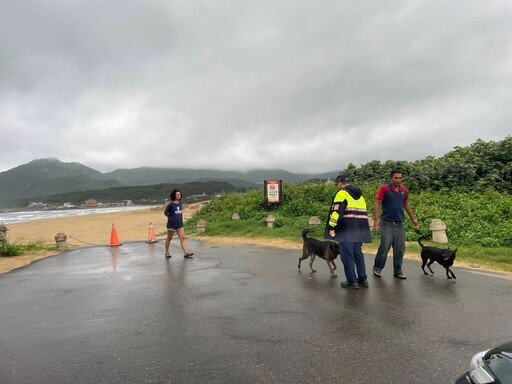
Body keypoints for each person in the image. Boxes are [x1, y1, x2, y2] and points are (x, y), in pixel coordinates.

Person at [325, 174, 372, 289]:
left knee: (347, 255)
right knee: (358, 254)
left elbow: (336, 213)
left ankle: (351, 281)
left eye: (337, 184)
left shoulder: (342, 194)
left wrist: (332, 228)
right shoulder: (360, 196)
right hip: (360, 230)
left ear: (340, 183)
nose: (337, 186)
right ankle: (362, 279)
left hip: (346, 229)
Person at [372, 170, 420, 279]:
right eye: (395, 178)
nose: (398, 180)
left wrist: (413, 219)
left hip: (399, 223)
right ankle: (377, 268)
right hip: (386, 223)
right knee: (385, 246)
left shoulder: (404, 190)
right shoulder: (384, 189)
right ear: (391, 178)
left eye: (400, 178)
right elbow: (377, 203)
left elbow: (406, 204)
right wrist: (376, 220)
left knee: (400, 248)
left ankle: (398, 271)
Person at [164, 189, 194, 259]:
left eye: (180, 194)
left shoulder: (180, 204)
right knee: (169, 238)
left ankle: (186, 252)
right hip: (171, 224)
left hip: (179, 224)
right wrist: (170, 218)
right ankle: (167, 252)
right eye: (177, 194)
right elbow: (165, 213)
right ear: (174, 195)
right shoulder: (170, 205)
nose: (179, 195)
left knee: (182, 238)